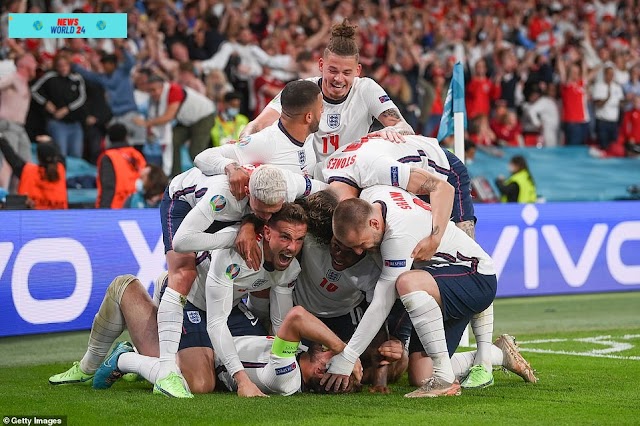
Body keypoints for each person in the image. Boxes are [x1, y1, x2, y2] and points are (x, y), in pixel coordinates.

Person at [155, 164, 326, 397]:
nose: (292, 248)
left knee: (255, 354)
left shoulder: (289, 188)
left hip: (228, 306)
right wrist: (231, 237)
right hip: (196, 297)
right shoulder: (227, 203)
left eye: (298, 240)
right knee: (200, 383)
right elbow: (182, 242)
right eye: (285, 237)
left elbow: (280, 323)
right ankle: (141, 362)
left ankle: (202, 355)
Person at [50, 271, 362, 397]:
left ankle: (125, 355)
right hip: (234, 323)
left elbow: (295, 318)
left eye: (330, 362)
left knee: (199, 384)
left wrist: (345, 352)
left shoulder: (288, 378)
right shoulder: (299, 352)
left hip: (212, 332)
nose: (328, 356)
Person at [322, 187, 497, 396]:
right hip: (440, 280)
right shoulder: (372, 196)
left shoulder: (399, 234)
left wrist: (347, 357)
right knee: (420, 374)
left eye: (361, 244)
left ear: (374, 223)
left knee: (406, 282)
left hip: (476, 278)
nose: (359, 252)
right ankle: (498, 354)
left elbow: (382, 304)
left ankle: (444, 379)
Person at [241, 20, 414, 169]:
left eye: (347, 72)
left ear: (358, 71)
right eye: (332, 70)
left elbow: (404, 128)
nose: (338, 79)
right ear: (321, 65)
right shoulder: (303, 89)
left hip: (352, 176)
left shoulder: (367, 89)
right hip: (308, 175)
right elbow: (257, 125)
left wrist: (392, 131)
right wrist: (242, 147)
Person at [194, 79, 322, 198]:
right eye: (321, 107)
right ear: (308, 117)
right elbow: (203, 157)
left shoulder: (309, 137)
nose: (323, 111)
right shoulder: (266, 142)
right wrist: (231, 168)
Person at [134, 75, 216, 177]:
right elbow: (154, 115)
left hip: (203, 116)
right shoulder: (154, 98)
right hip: (185, 119)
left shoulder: (174, 91)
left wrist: (146, 123)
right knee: (173, 140)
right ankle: (175, 176)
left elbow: (168, 116)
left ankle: (208, 176)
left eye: (154, 90)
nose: (152, 93)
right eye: (149, 91)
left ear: (162, 87)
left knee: (195, 151)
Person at [71, 40, 145, 148]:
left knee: (138, 143)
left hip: (130, 114)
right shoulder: (102, 78)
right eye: (103, 64)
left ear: (113, 64)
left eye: (106, 64)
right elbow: (87, 75)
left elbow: (130, 61)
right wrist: (73, 64)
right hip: (115, 117)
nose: (104, 67)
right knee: (112, 146)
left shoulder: (123, 72)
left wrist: (122, 48)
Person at [31, 53, 87, 158]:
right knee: (61, 154)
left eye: (65, 65)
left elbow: (82, 97)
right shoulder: (50, 76)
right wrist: (46, 102)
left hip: (74, 123)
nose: (63, 68)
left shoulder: (76, 78)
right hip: (57, 122)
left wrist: (68, 109)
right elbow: (34, 90)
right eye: (60, 65)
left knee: (76, 154)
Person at [0, 134, 67, 209]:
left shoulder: (27, 171)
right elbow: (60, 156)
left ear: (38, 157)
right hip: (59, 219)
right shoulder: (61, 170)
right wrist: (50, 142)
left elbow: (11, 156)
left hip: (30, 218)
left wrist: (1, 139)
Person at [95, 124, 146, 209]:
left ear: (109, 138)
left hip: (116, 206)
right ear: (126, 137)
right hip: (137, 204)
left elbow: (108, 186)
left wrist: (103, 210)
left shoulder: (108, 157)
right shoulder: (137, 155)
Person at [0, 53, 37, 167]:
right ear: (26, 66)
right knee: (7, 164)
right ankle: (3, 185)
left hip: (20, 127)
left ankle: (22, 185)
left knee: (26, 165)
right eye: (33, 63)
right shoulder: (12, 78)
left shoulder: (24, 82)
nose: (36, 66)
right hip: (8, 125)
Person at [591, 64, 625, 155]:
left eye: (612, 74)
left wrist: (625, 101)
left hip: (614, 122)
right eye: (608, 74)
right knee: (603, 147)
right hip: (602, 122)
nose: (610, 76)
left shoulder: (617, 87)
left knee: (613, 147)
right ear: (604, 74)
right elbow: (597, 103)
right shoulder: (599, 86)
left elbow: (621, 102)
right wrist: (607, 98)